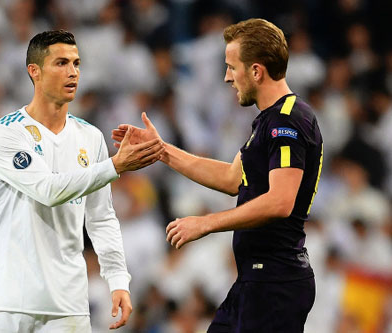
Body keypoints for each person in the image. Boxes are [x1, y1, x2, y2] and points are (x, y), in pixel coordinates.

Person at [112, 18, 323, 332]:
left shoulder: (287, 121)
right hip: (254, 281)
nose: (227, 77)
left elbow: (281, 201)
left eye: (231, 66)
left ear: (256, 71)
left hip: (275, 283)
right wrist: (162, 150)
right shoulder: (268, 120)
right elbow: (230, 178)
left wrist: (206, 223)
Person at [0, 30, 164, 333]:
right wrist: (115, 165)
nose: (73, 72)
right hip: (9, 303)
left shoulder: (89, 137)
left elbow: (101, 218)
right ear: (34, 72)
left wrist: (118, 279)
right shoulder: (3, 133)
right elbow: (47, 191)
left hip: (69, 308)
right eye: (61, 63)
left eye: (76, 63)